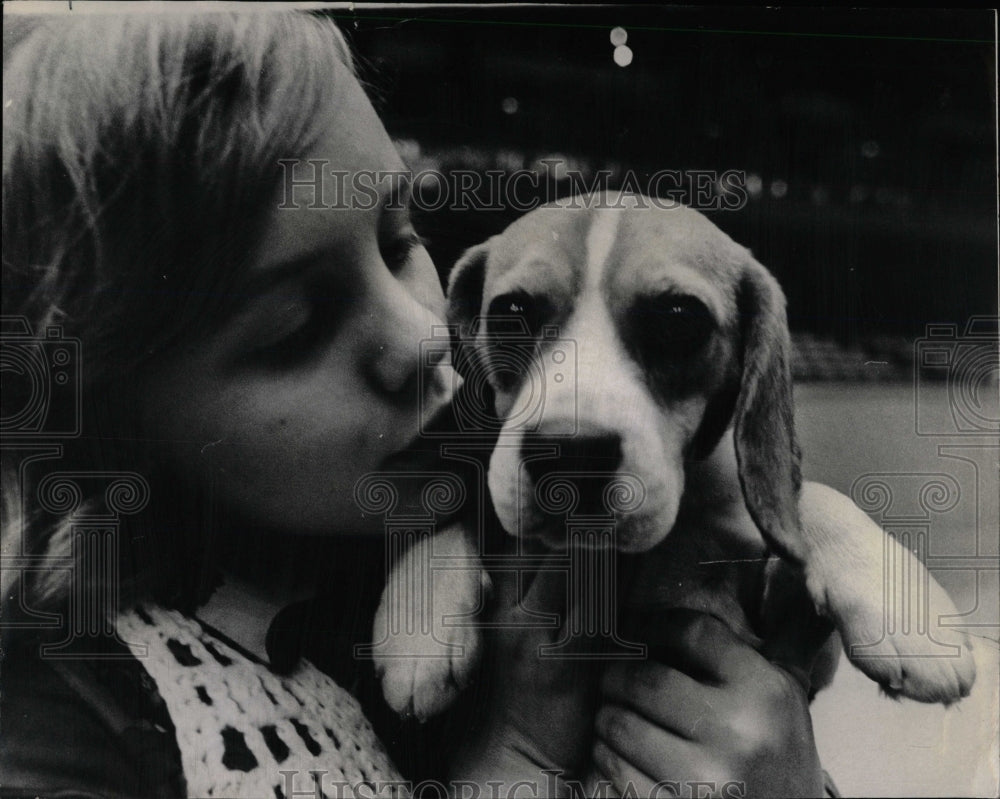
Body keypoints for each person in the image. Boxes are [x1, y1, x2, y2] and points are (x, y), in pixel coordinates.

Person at [1, 9, 829, 798]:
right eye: (296, 326)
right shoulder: (59, 732)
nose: (428, 338)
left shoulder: (491, 473)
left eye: (400, 241)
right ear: (107, 416)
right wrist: (517, 755)